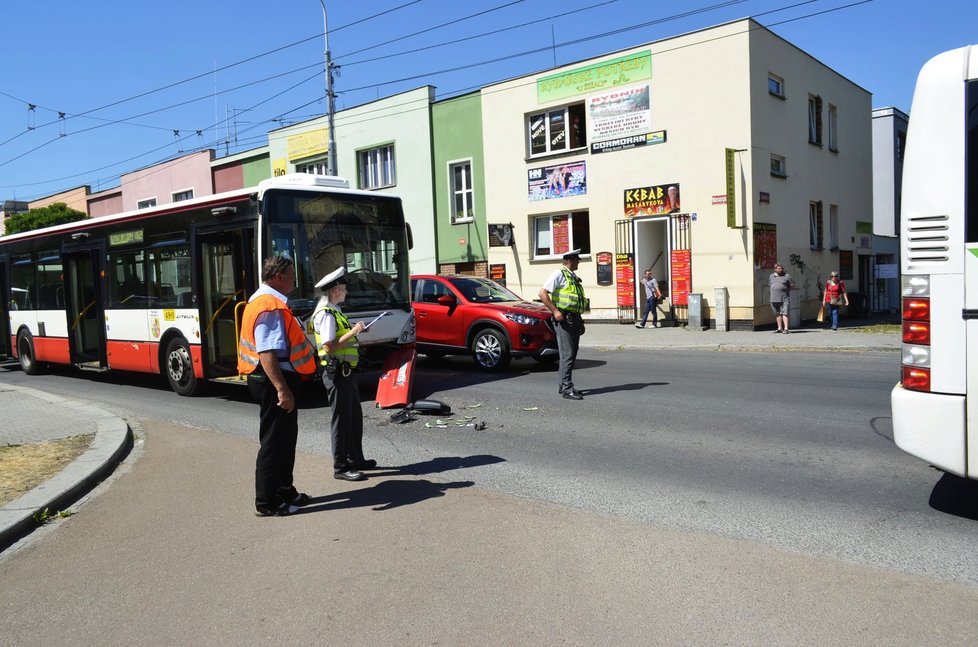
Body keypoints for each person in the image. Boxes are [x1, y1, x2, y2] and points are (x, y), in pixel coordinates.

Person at [238, 256, 317, 517]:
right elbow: (267, 352)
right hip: (274, 381)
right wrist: (282, 389)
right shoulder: (268, 305)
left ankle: (284, 489)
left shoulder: (266, 301)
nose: (295, 279)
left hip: (276, 379)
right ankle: (266, 502)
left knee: (285, 439)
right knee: (274, 442)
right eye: (292, 274)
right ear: (279, 276)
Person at [313, 267, 374, 482]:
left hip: (346, 373)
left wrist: (356, 332)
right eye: (344, 289)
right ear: (335, 291)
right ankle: (340, 466)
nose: (346, 292)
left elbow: (341, 339)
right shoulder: (327, 315)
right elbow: (329, 347)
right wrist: (354, 332)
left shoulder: (335, 311)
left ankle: (356, 458)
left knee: (354, 417)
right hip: (337, 373)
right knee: (341, 420)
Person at [539, 249, 588, 400]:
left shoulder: (571, 276)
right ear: (570, 260)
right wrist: (555, 311)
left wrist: (580, 321)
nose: (579, 262)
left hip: (574, 318)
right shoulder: (558, 273)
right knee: (567, 354)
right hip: (564, 319)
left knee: (571, 353)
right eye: (577, 260)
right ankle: (567, 388)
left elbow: (574, 301)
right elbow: (542, 293)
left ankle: (563, 385)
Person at [769, 262, 794, 334]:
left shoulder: (787, 276)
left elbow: (792, 286)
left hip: (784, 298)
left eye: (782, 268)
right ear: (775, 269)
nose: (781, 269)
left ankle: (786, 329)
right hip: (773, 299)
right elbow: (770, 285)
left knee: (785, 313)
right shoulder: (771, 276)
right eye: (779, 268)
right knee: (777, 313)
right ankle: (780, 328)